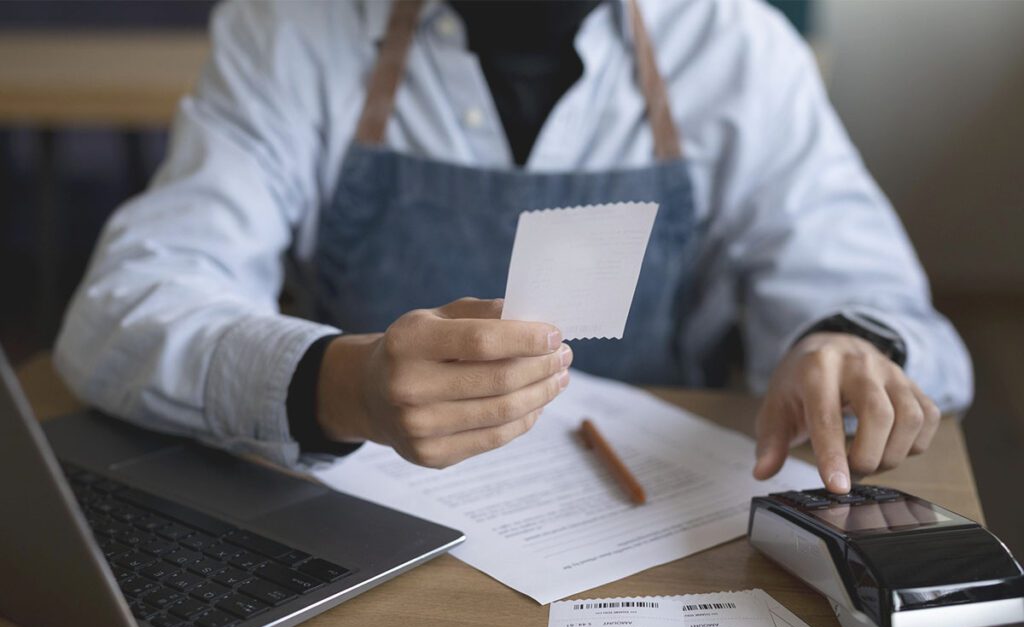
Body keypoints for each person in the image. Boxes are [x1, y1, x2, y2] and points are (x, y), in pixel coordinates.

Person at [55, 0, 972, 495]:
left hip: (646, 536)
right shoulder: (291, 30)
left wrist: (850, 345)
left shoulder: (738, 48)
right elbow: (118, 313)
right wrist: (341, 385)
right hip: (352, 533)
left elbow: (886, 303)